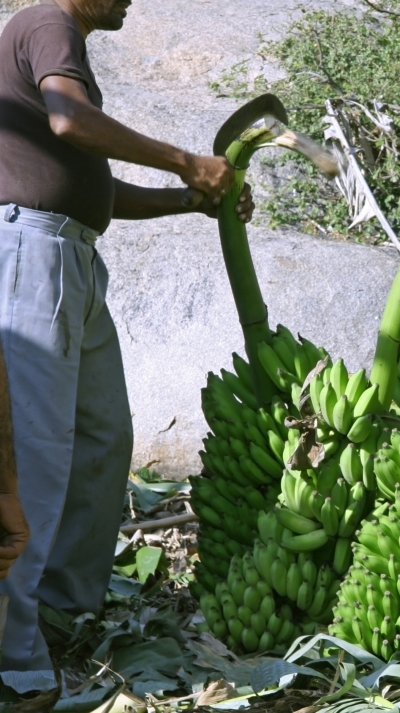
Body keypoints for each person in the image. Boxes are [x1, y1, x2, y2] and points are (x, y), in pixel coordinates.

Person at [0, 0, 256, 689]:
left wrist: (192, 200)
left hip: (72, 254)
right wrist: (184, 162)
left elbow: (92, 189)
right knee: (36, 455)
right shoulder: (47, 22)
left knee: (102, 437)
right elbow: (70, 121)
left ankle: (59, 614)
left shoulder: (64, 44)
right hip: (33, 254)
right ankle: (14, 662)